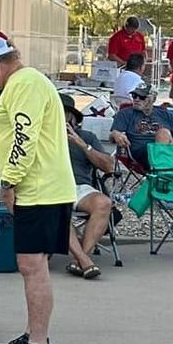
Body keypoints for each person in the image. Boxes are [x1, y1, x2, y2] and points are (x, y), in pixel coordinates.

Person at [0, 36, 73, 344]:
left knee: (32, 266)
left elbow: (23, 135)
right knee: (34, 265)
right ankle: (34, 335)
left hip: (39, 190)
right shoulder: (26, 83)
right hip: (42, 188)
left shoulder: (24, 83)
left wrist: (10, 182)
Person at [63, 96, 116, 279]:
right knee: (56, 206)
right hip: (53, 186)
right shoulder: (41, 135)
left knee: (103, 203)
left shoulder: (86, 137)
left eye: (65, 113)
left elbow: (109, 166)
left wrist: (83, 145)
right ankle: (85, 261)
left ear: (72, 118)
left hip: (80, 187)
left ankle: (81, 259)